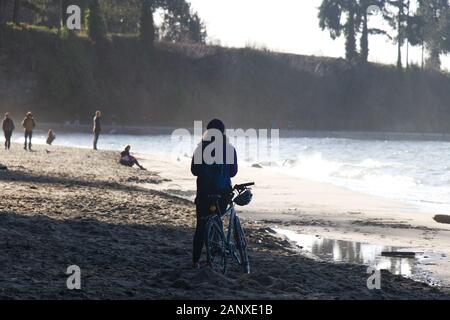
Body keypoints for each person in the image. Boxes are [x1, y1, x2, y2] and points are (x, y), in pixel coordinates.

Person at [191, 119, 238, 269]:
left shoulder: (201, 148)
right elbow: (233, 172)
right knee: (217, 221)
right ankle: (213, 257)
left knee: (201, 226)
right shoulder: (230, 149)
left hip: (204, 193)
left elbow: (194, 171)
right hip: (223, 193)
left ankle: (195, 261)